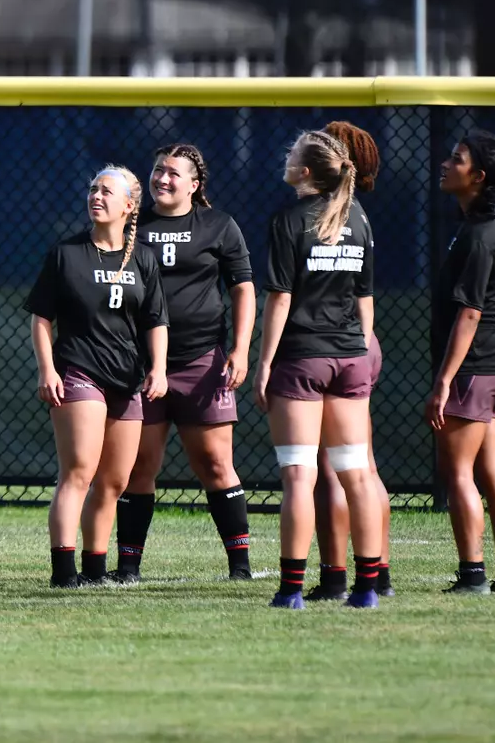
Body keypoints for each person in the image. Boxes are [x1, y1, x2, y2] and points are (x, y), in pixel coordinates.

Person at [113, 144, 256, 582]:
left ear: (194, 185)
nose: (162, 179)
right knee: (139, 466)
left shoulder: (218, 225)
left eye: (173, 173)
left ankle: (241, 567)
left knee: (215, 463)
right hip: (138, 364)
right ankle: (128, 568)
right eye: (158, 170)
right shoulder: (131, 223)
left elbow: (243, 289)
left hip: (200, 359)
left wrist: (241, 349)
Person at [254, 130, 381, 609]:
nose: (285, 158)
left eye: (292, 155)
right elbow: (365, 300)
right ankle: (366, 589)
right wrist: (362, 349)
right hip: (350, 356)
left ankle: (290, 590)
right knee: (357, 474)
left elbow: (280, 298)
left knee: (299, 476)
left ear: (304, 172)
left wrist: (264, 362)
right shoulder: (359, 219)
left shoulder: (289, 220)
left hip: (302, 358)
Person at [28, 166, 169, 589]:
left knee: (115, 480)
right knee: (80, 471)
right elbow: (40, 317)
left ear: (129, 205)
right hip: (79, 371)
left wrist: (159, 368)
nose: (97, 196)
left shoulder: (142, 257)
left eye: (107, 191)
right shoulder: (67, 253)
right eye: (93, 189)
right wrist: (47, 368)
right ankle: (64, 571)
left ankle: (95, 568)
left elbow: (155, 320)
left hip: (127, 378)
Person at [426, 132, 495, 594]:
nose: (446, 163)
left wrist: (444, 380)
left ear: (478, 177)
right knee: (492, 471)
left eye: (457, 159)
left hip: (475, 367)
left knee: (459, 472)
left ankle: (474, 576)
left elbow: (470, 313)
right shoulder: (483, 227)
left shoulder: (481, 236)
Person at [308, 120, 394, 600]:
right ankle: (377, 570)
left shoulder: (324, 215)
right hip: (361, 341)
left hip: (333, 345)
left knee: (333, 468)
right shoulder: (358, 214)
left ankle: (337, 573)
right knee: (364, 467)